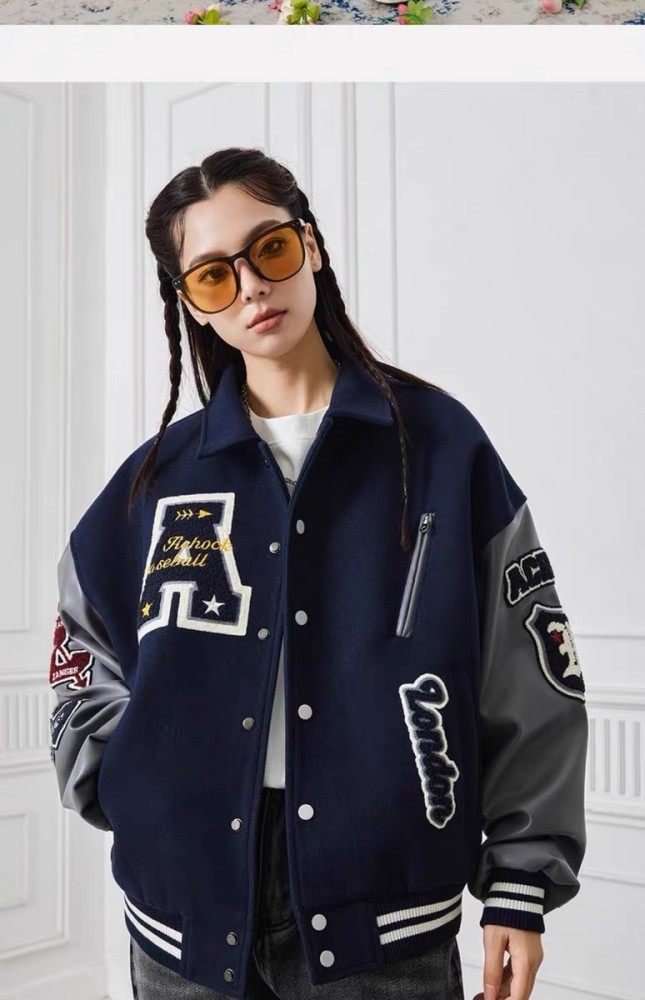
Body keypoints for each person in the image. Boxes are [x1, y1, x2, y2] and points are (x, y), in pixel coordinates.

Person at [48, 146, 588, 1000]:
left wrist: (520, 883)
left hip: (384, 919)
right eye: (213, 276)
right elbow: (82, 653)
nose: (251, 288)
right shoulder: (159, 480)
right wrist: (136, 787)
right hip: (182, 920)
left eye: (268, 249)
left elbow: (527, 674)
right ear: (189, 302)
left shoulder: (440, 447)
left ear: (311, 244)